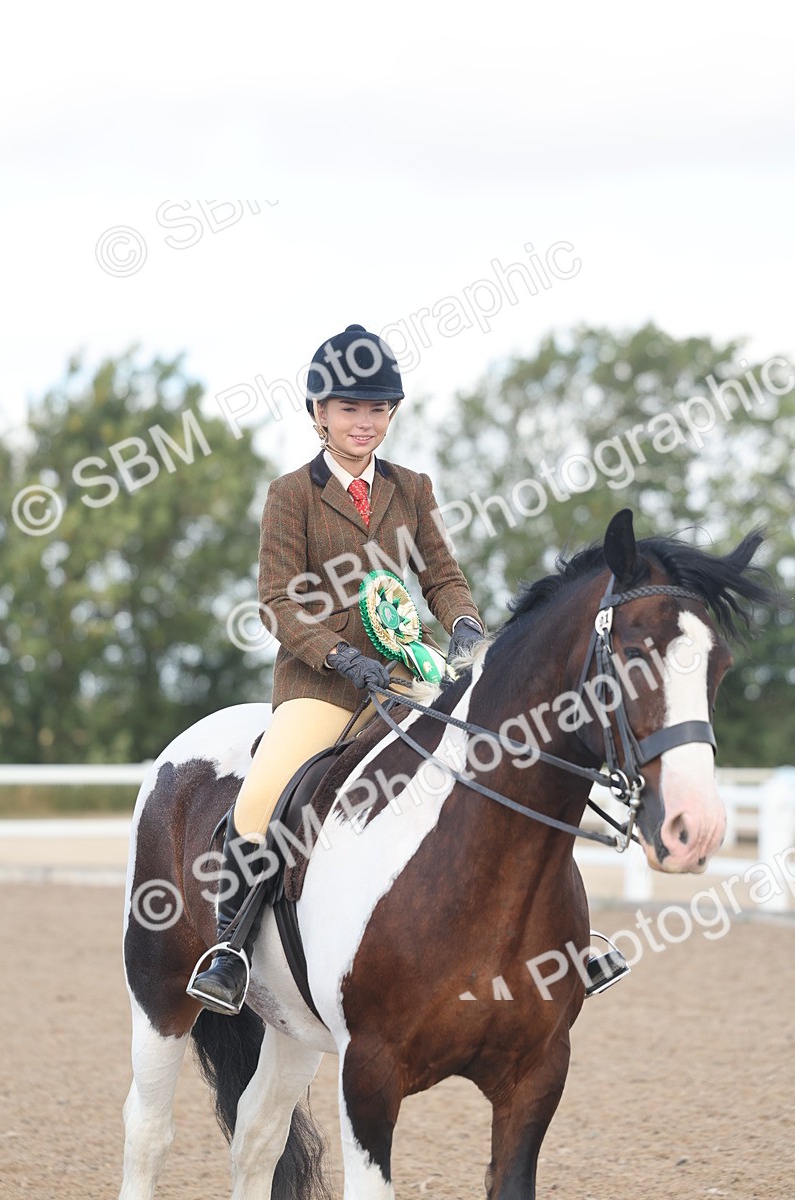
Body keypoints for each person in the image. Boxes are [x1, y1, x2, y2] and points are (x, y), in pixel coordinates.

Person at [188, 324, 486, 1014]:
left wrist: (465, 626)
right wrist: (339, 654)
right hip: (321, 685)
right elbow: (276, 601)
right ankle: (231, 950)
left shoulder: (412, 488)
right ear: (319, 413)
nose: (365, 422)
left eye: (379, 409)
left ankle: (547, 927)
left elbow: (442, 578)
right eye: (350, 408)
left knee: (494, 756)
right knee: (260, 801)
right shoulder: (290, 494)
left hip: (406, 673)